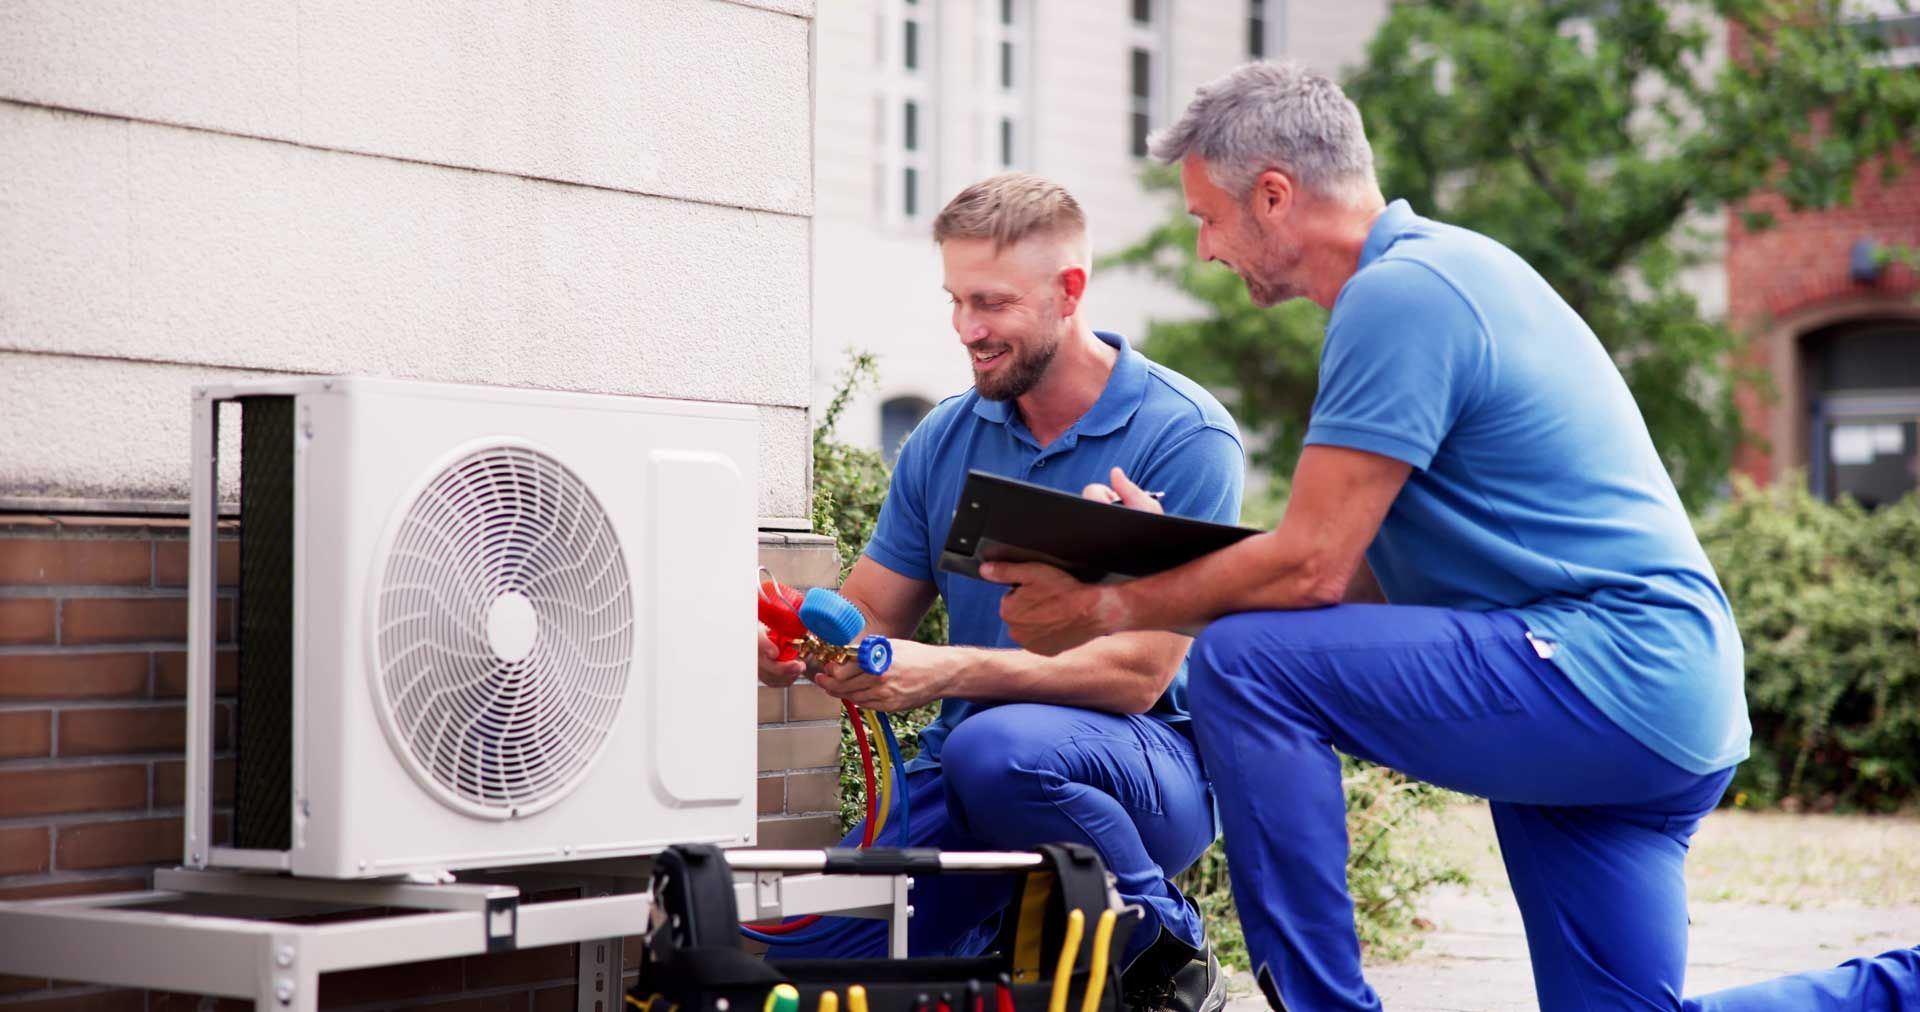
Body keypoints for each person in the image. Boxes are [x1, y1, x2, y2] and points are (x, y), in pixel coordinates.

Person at [985, 62, 1919, 1011]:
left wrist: (1108, 607)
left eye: (1206, 219)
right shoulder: (1437, 275)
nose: (1206, 250)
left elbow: (1310, 571)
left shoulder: (1403, 294)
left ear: (1273, 195)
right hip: (1660, 698)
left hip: (1605, 668)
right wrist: (1181, 559)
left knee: (1242, 663)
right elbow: (1356, 576)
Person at [757, 173, 1245, 1012]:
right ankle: (1002, 934)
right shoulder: (946, 437)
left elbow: (1137, 677)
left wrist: (942, 672)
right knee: (790, 963)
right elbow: (876, 611)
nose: (967, 330)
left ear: (1070, 291)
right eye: (955, 300)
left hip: (1150, 765)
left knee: (998, 752)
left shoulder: (1182, 437)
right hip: (968, 759)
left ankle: (1167, 954)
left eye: (991, 304)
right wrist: (801, 648)